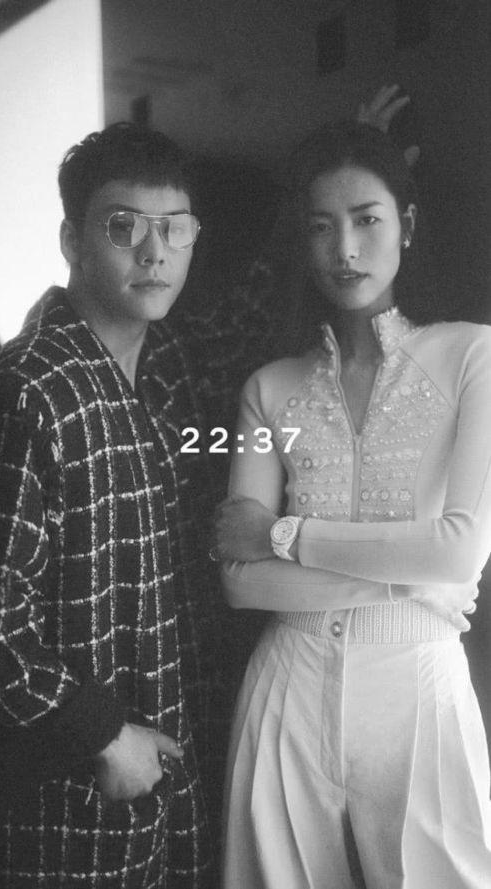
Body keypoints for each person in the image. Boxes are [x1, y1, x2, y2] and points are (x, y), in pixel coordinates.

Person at [0, 122, 269, 889]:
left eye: (174, 228)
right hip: (68, 799)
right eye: (123, 226)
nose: (154, 252)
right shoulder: (28, 389)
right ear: (72, 240)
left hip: (174, 777)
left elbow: (252, 327)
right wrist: (103, 733)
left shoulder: (170, 367)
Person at [215, 121, 491, 888]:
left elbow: (460, 548)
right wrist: (416, 583)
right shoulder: (269, 387)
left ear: (407, 224)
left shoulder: (473, 356)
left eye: (366, 219)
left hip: (420, 689)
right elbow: (240, 580)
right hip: (287, 687)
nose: (345, 248)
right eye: (322, 226)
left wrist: (284, 533)